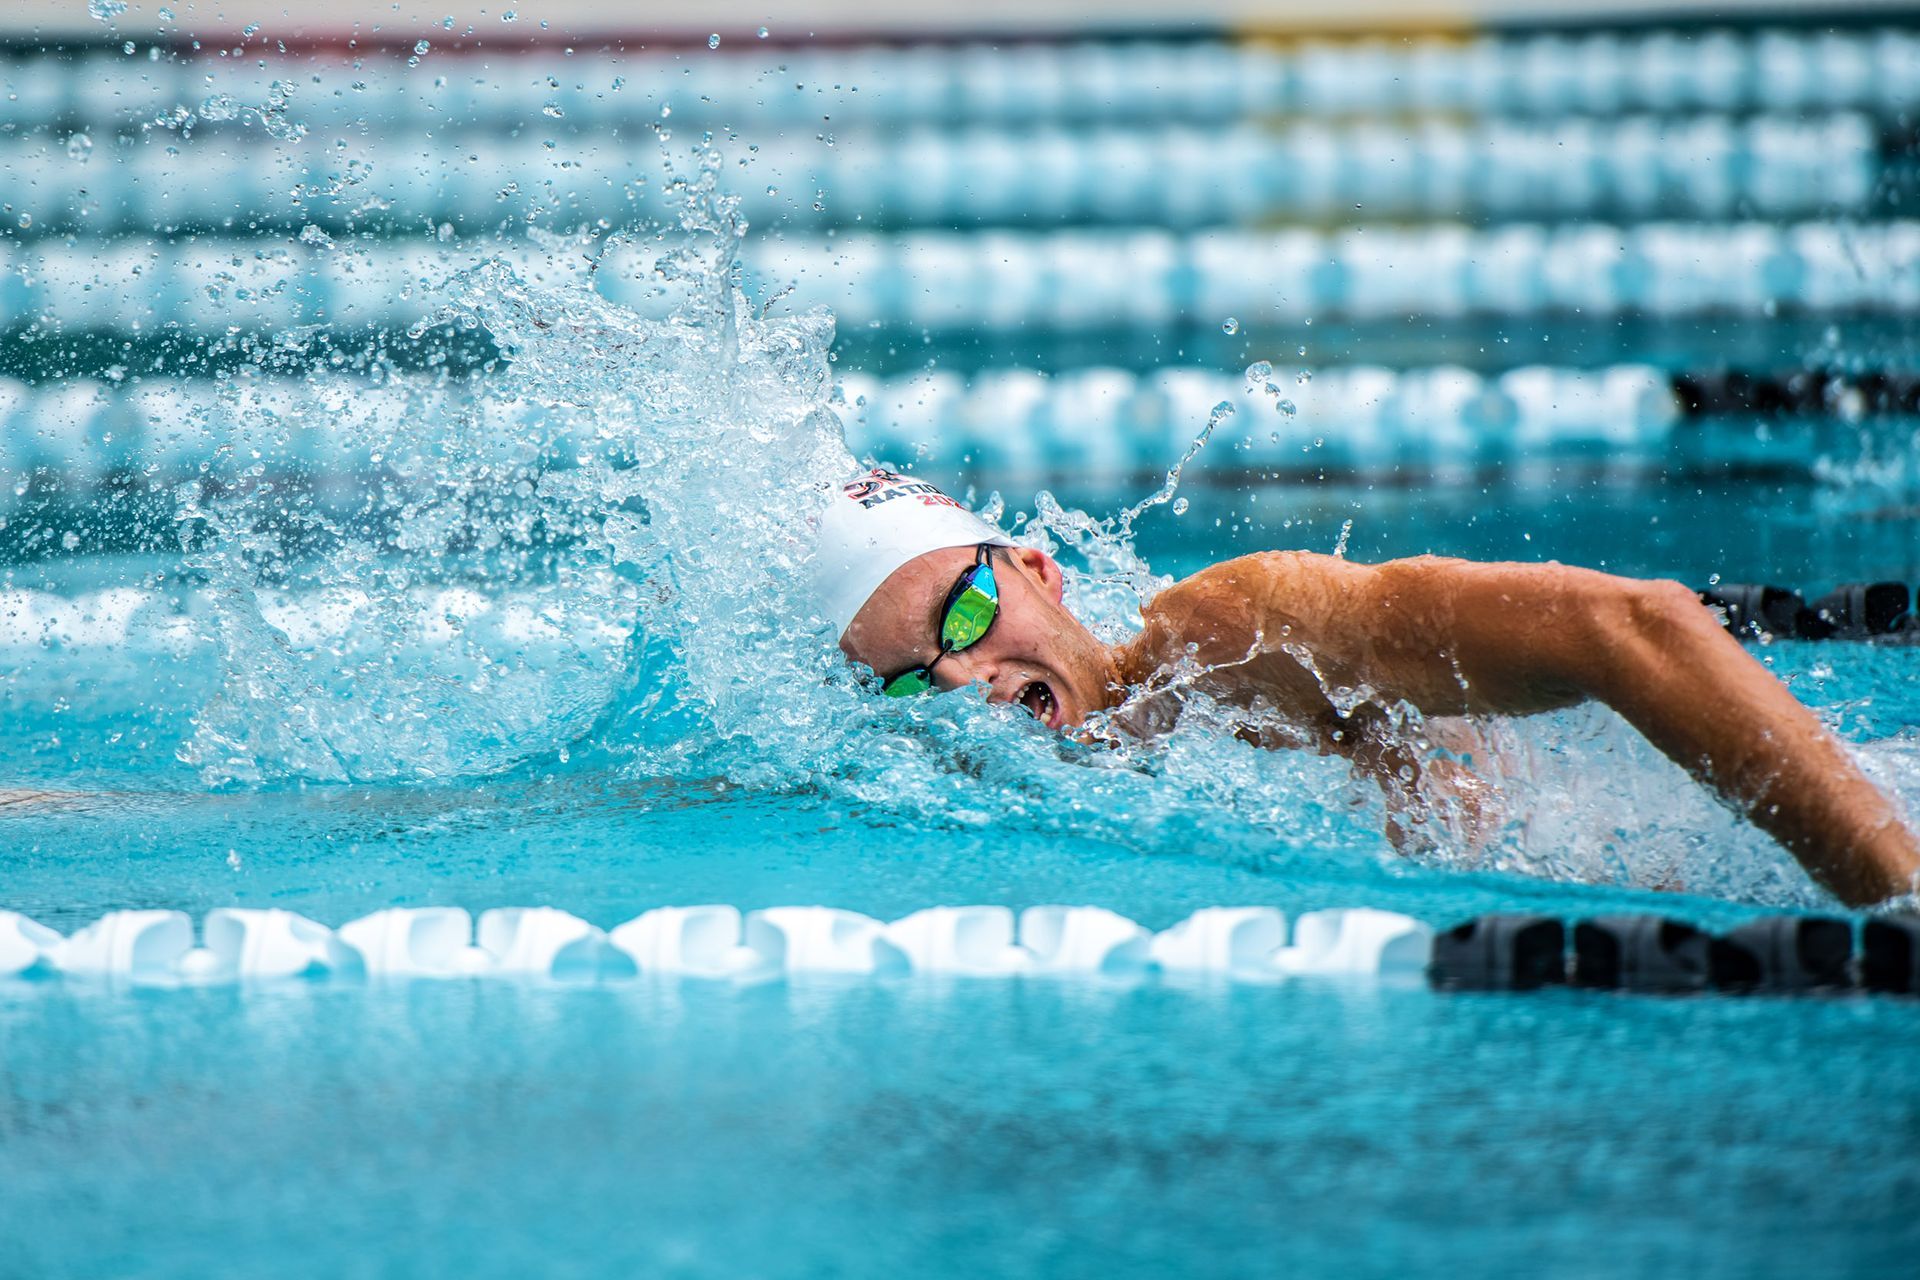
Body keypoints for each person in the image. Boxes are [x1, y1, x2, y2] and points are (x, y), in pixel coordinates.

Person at [813, 467, 1920, 908]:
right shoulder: (996, 800)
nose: (967, 681)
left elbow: (1632, 625)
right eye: (917, 682)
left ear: (1039, 570)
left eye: (964, 617)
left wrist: (1894, 898)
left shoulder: (1238, 635)